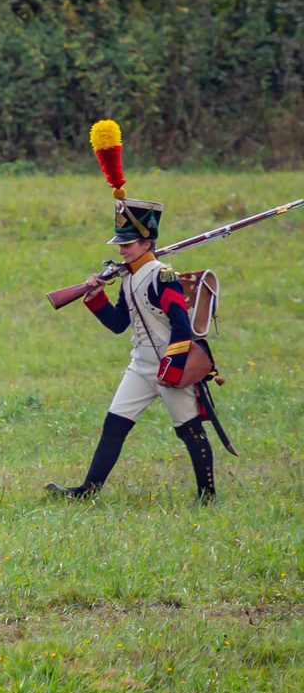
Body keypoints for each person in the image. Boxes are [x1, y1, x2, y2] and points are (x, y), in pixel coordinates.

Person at [48, 120, 214, 502]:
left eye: (128, 243)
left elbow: (180, 326)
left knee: (188, 430)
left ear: (147, 243)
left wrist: (172, 368)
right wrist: (93, 295)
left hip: (169, 366)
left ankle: (208, 495)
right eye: (120, 244)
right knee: (113, 426)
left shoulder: (162, 276)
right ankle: (88, 491)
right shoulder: (128, 278)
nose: (121, 249)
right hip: (141, 364)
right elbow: (119, 324)